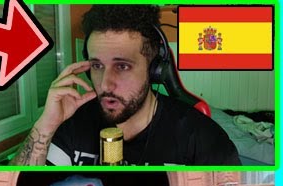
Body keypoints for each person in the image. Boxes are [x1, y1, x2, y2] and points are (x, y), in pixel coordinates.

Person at [12, 4, 238, 167]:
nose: (106, 84)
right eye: (97, 65)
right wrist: (45, 125)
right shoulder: (72, 126)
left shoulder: (203, 139)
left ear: (154, 69)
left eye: (122, 66)